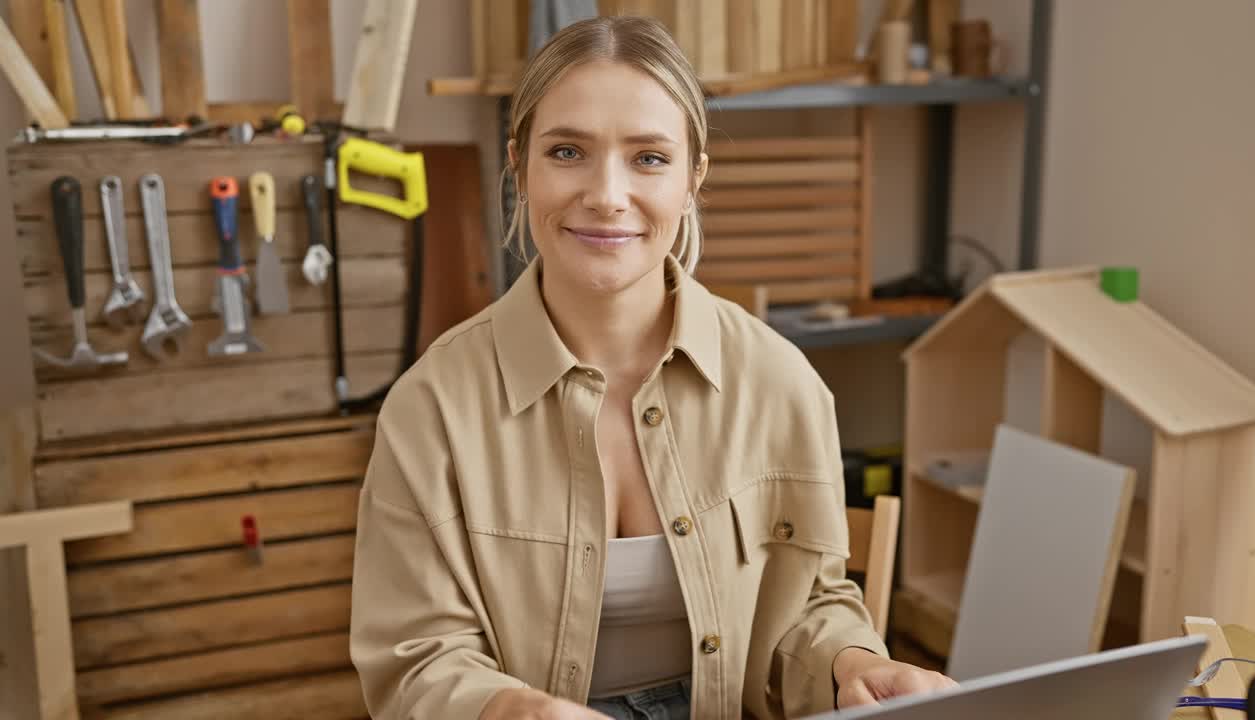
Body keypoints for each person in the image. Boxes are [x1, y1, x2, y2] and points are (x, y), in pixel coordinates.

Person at [349, 15, 956, 720]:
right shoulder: (432, 407)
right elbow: (418, 657)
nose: (607, 194)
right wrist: (519, 711)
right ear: (518, 164)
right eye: (568, 151)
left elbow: (810, 608)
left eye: (649, 158)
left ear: (694, 177)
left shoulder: (779, 383)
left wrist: (854, 664)